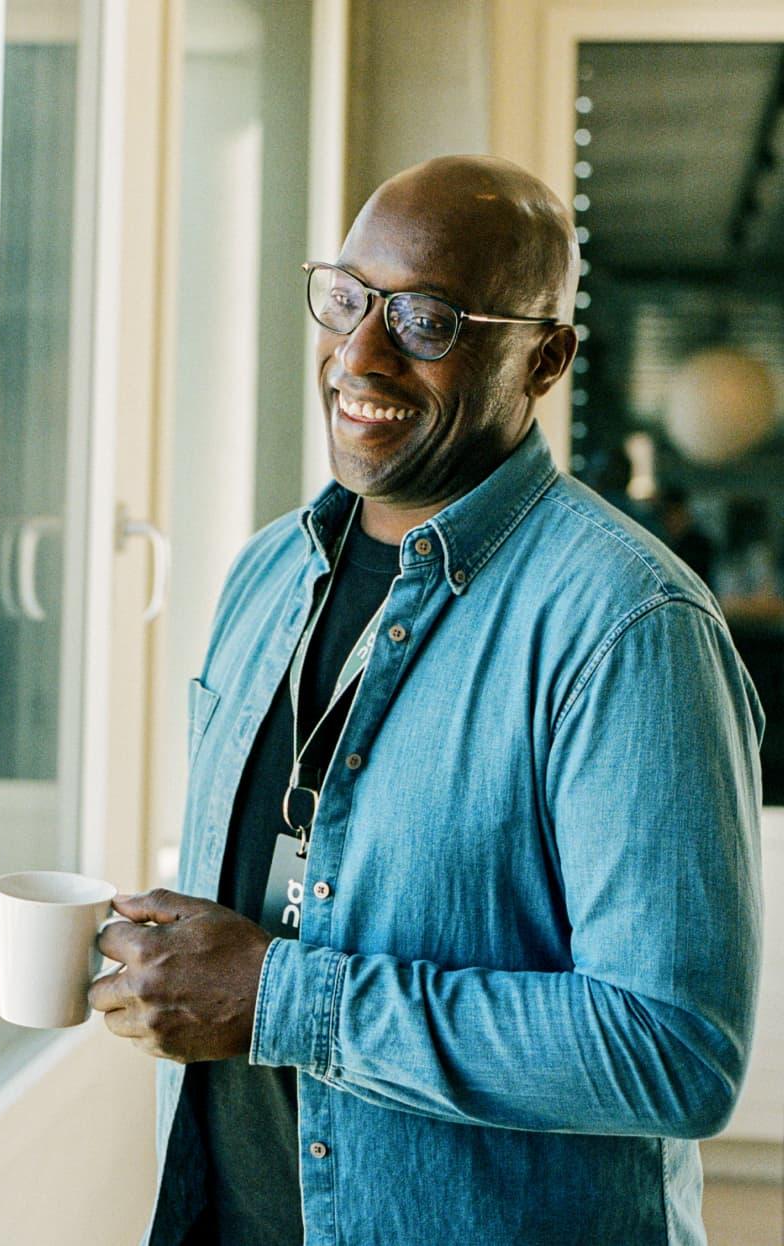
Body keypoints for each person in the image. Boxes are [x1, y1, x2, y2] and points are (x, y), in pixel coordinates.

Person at [89, 155, 764, 1246]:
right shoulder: (265, 573)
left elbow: (670, 1048)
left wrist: (279, 999)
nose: (358, 353)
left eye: (427, 320)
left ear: (542, 359)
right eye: (348, 298)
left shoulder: (628, 627)